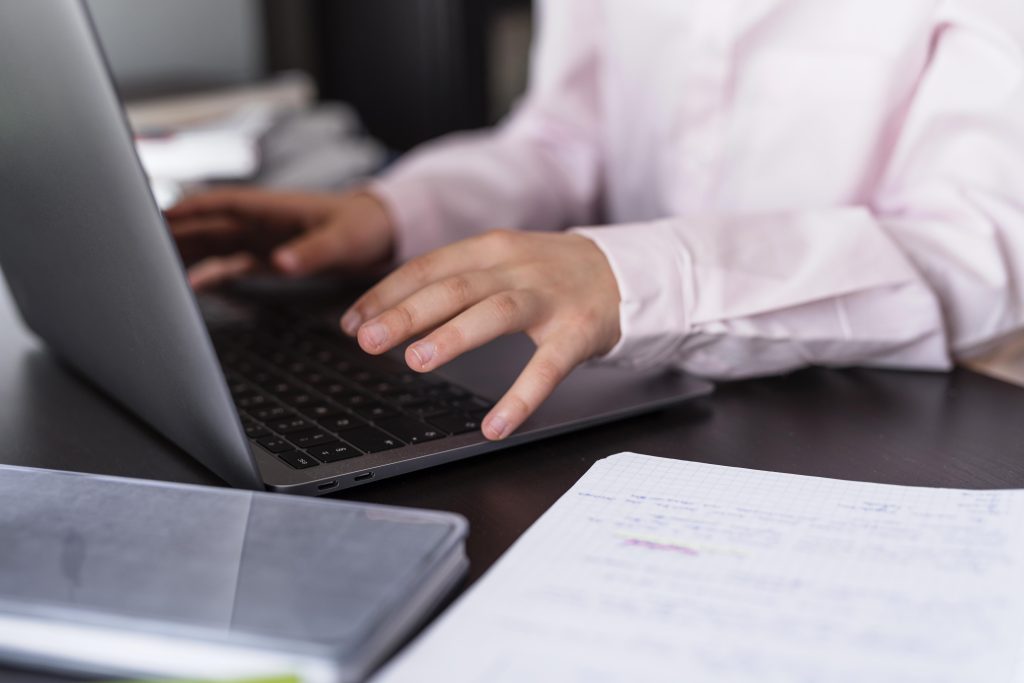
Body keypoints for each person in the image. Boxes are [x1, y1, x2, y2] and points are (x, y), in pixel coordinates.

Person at [167, 1, 1024, 442]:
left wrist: (633, 279)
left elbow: (984, 251)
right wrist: (389, 213)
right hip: (643, 399)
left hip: (887, 422)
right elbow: (563, 141)